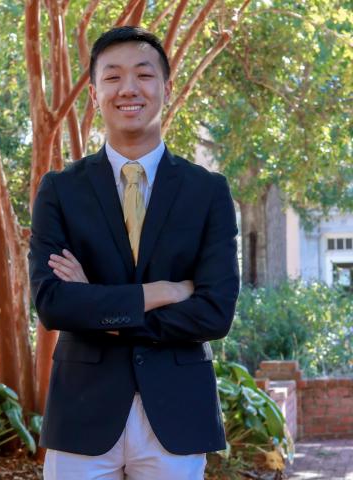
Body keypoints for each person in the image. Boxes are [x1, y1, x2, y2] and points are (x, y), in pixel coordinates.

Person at [28, 26, 240, 480]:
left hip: (176, 411)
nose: (128, 89)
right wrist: (161, 291)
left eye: (143, 75)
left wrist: (100, 310)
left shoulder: (208, 192)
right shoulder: (60, 190)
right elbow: (52, 303)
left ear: (166, 87)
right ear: (93, 93)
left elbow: (214, 313)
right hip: (83, 413)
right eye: (113, 77)